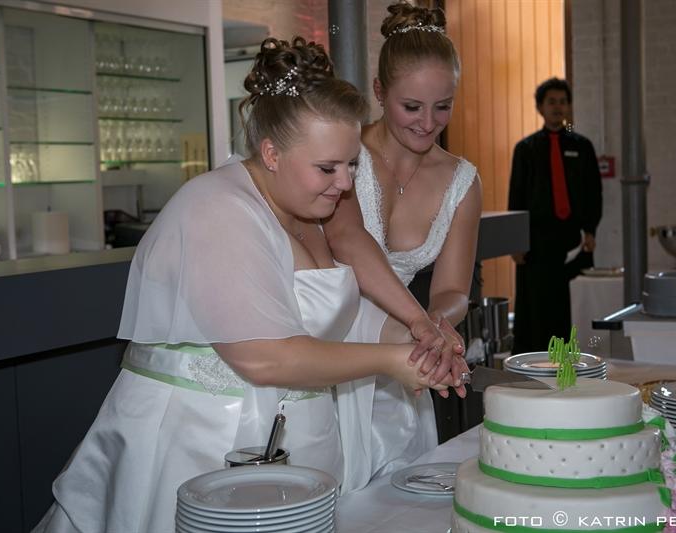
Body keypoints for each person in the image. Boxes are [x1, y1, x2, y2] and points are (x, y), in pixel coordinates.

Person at [34, 37, 452, 533]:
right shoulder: (215, 207)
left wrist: (418, 338)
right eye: (328, 168)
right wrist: (390, 361)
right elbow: (262, 356)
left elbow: (343, 311)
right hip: (202, 448)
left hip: (299, 446)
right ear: (271, 152)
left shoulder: (315, 211)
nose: (345, 184)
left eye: (352, 165)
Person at [324, 1, 482, 485]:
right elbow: (347, 241)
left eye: (443, 106)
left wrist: (436, 325)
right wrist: (420, 326)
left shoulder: (462, 180)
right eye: (411, 106)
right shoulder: (343, 154)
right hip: (327, 345)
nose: (428, 122)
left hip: (403, 355)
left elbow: (453, 289)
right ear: (379, 91)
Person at [508, 77, 602, 354]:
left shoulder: (582, 146)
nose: (558, 107)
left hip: (572, 242)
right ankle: (536, 364)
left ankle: (571, 362)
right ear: (540, 107)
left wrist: (590, 230)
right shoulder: (526, 149)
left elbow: (593, 192)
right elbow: (516, 196)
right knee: (537, 309)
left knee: (569, 309)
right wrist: (516, 242)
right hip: (535, 242)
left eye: (563, 102)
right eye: (551, 102)